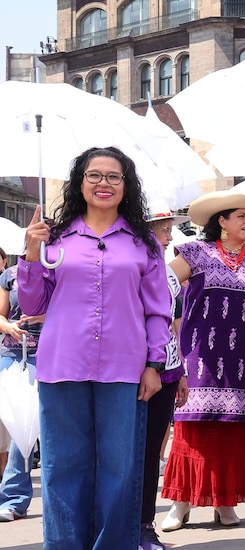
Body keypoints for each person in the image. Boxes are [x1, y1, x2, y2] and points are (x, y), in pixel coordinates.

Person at [19, 146, 173, 548]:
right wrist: (31, 255)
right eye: (94, 175)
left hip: (125, 369)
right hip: (62, 366)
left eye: (113, 176)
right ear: (80, 182)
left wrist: (155, 363)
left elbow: (158, 310)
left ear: (126, 185)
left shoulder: (143, 243)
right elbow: (34, 305)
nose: (103, 183)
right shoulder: (55, 238)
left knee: (119, 471)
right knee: (63, 470)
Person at [161, 189, 245, 531]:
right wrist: (165, 328)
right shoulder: (196, 252)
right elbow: (161, 284)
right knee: (194, 428)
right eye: (240, 215)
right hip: (199, 359)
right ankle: (180, 503)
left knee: (234, 430)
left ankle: (225, 502)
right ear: (221, 222)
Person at [138, 205, 191, 550]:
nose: (169, 235)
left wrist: (181, 371)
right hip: (134, 370)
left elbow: (174, 325)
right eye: (162, 228)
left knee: (150, 453)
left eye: (169, 228)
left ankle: (144, 524)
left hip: (168, 369)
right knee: (128, 453)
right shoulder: (133, 264)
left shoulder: (170, 272)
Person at [0, 248, 43, 523]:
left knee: (42, 430)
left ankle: (54, 499)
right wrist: (9, 327)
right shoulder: (9, 275)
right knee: (17, 427)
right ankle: (13, 499)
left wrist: (46, 319)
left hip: (51, 356)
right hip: (11, 356)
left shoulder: (59, 271)